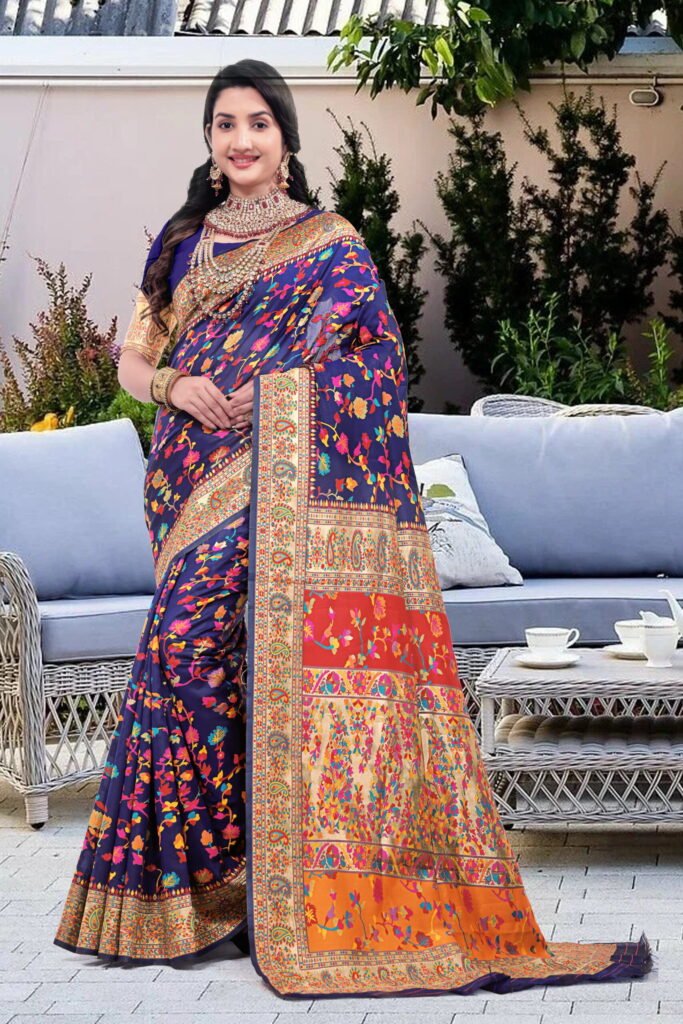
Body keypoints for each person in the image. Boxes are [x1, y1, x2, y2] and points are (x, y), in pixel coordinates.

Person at [54, 59, 652, 998]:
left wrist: (277, 396)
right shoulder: (179, 243)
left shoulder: (329, 245)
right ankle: (206, 891)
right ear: (208, 140)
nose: (241, 140)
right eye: (225, 124)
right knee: (188, 655)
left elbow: (375, 360)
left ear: (284, 139)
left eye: (258, 123)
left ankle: (263, 889)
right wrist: (175, 384)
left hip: (281, 470)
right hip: (188, 474)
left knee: (237, 652)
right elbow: (134, 361)